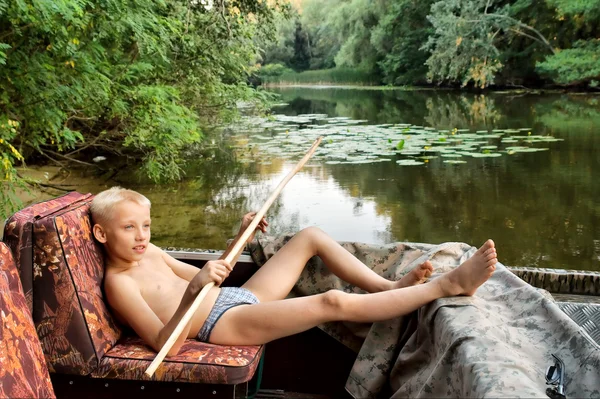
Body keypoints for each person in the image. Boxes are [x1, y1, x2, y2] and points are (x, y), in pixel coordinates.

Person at [91, 186, 498, 356]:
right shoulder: (119, 284)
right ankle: (449, 285)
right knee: (331, 301)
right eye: (129, 228)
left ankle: (386, 285)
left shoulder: (152, 252)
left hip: (234, 298)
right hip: (221, 323)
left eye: (145, 225)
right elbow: (167, 344)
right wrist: (192, 292)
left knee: (309, 236)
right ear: (101, 233)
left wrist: (240, 236)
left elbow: (219, 271)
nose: (142, 235)